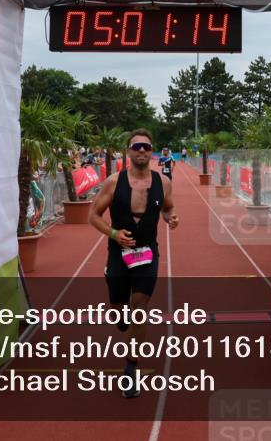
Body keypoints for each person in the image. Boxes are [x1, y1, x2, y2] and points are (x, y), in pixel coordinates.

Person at [87, 128, 179, 398]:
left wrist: (172, 218)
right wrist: (114, 233)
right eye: (136, 146)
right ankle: (120, 312)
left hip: (148, 250)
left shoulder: (163, 182)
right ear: (128, 151)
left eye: (146, 147)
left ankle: (131, 366)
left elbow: (168, 207)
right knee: (119, 313)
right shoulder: (114, 182)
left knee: (140, 306)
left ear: (152, 152)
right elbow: (93, 216)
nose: (141, 151)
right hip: (118, 251)